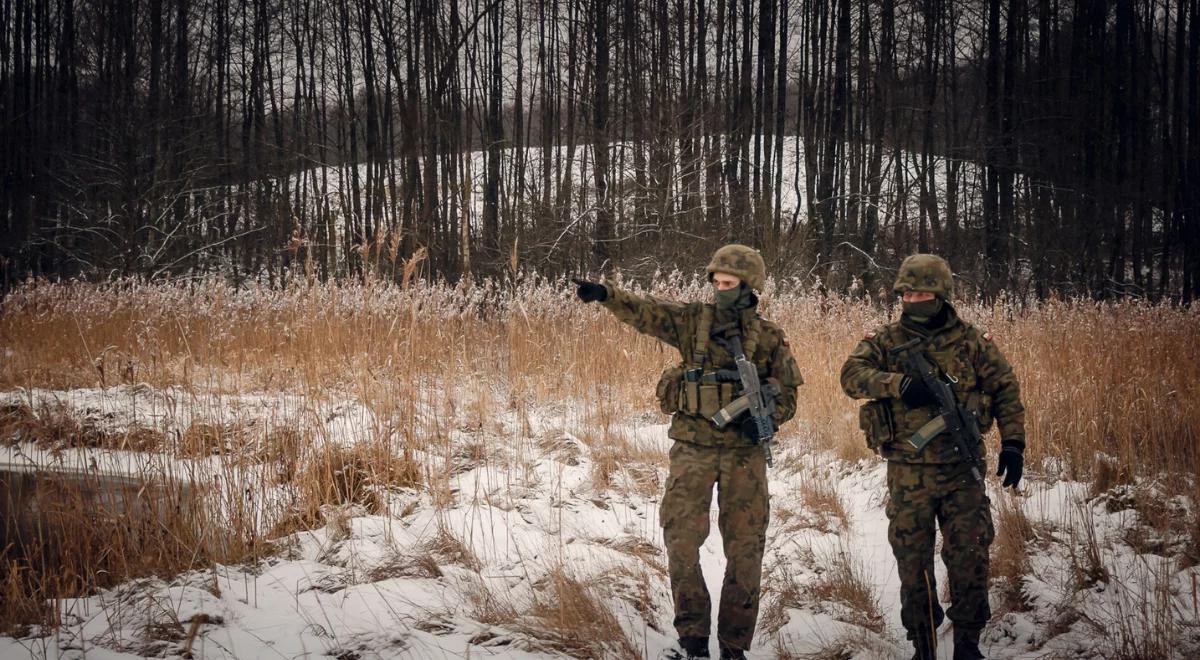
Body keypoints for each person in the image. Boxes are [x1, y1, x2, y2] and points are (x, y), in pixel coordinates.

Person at [572, 244, 803, 660]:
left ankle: (735, 644)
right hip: (693, 448)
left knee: (746, 547)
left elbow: (787, 396)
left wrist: (767, 418)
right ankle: (693, 638)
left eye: (728, 283)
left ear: (749, 286)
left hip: (744, 456)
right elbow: (646, 312)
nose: (719, 288)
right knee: (680, 540)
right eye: (715, 281)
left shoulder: (769, 337)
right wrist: (607, 295)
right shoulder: (692, 320)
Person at [840, 254, 1026, 660]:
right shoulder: (885, 341)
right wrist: (899, 385)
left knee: (970, 555)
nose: (913, 299)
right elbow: (851, 376)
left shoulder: (973, 341)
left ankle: (967, 643)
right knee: (912, 560)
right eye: (907, 293)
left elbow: (1005, 390)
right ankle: (922, 642)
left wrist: (1013, 443)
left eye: (922, 292)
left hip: (963, 472)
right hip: (908, 473)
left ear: (941, 294)